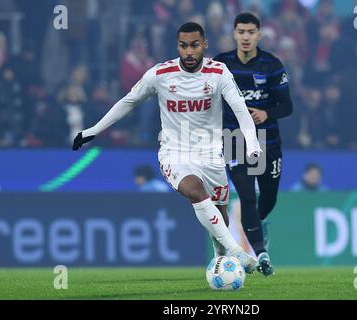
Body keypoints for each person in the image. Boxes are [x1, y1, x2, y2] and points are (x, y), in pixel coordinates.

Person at [72, 22, 261, 273]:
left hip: (211, 153)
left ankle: (220, 261)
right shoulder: (161, 74)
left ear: (204, 44)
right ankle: (238, 252)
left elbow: (240, 109)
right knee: (195, 191)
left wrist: (253, 145)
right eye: (184, 46)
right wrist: (92, 131)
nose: (189, 52)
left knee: (220, 214)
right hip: (174, 152)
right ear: (178, 46)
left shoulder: (219, 73)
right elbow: (128, 101)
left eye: (195, 45)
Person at [214, 12, 293, 276]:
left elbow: (287, 106)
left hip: (267, 138)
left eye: (251, 32)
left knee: (268, 197)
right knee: (247, 196)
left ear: (259, 34)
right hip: (235, 138)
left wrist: (266, 113)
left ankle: (259, 224)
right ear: (234, 34)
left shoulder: (271, 65)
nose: (246, 37)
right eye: (241, 32)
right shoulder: (221, 64)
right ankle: (260, 254)